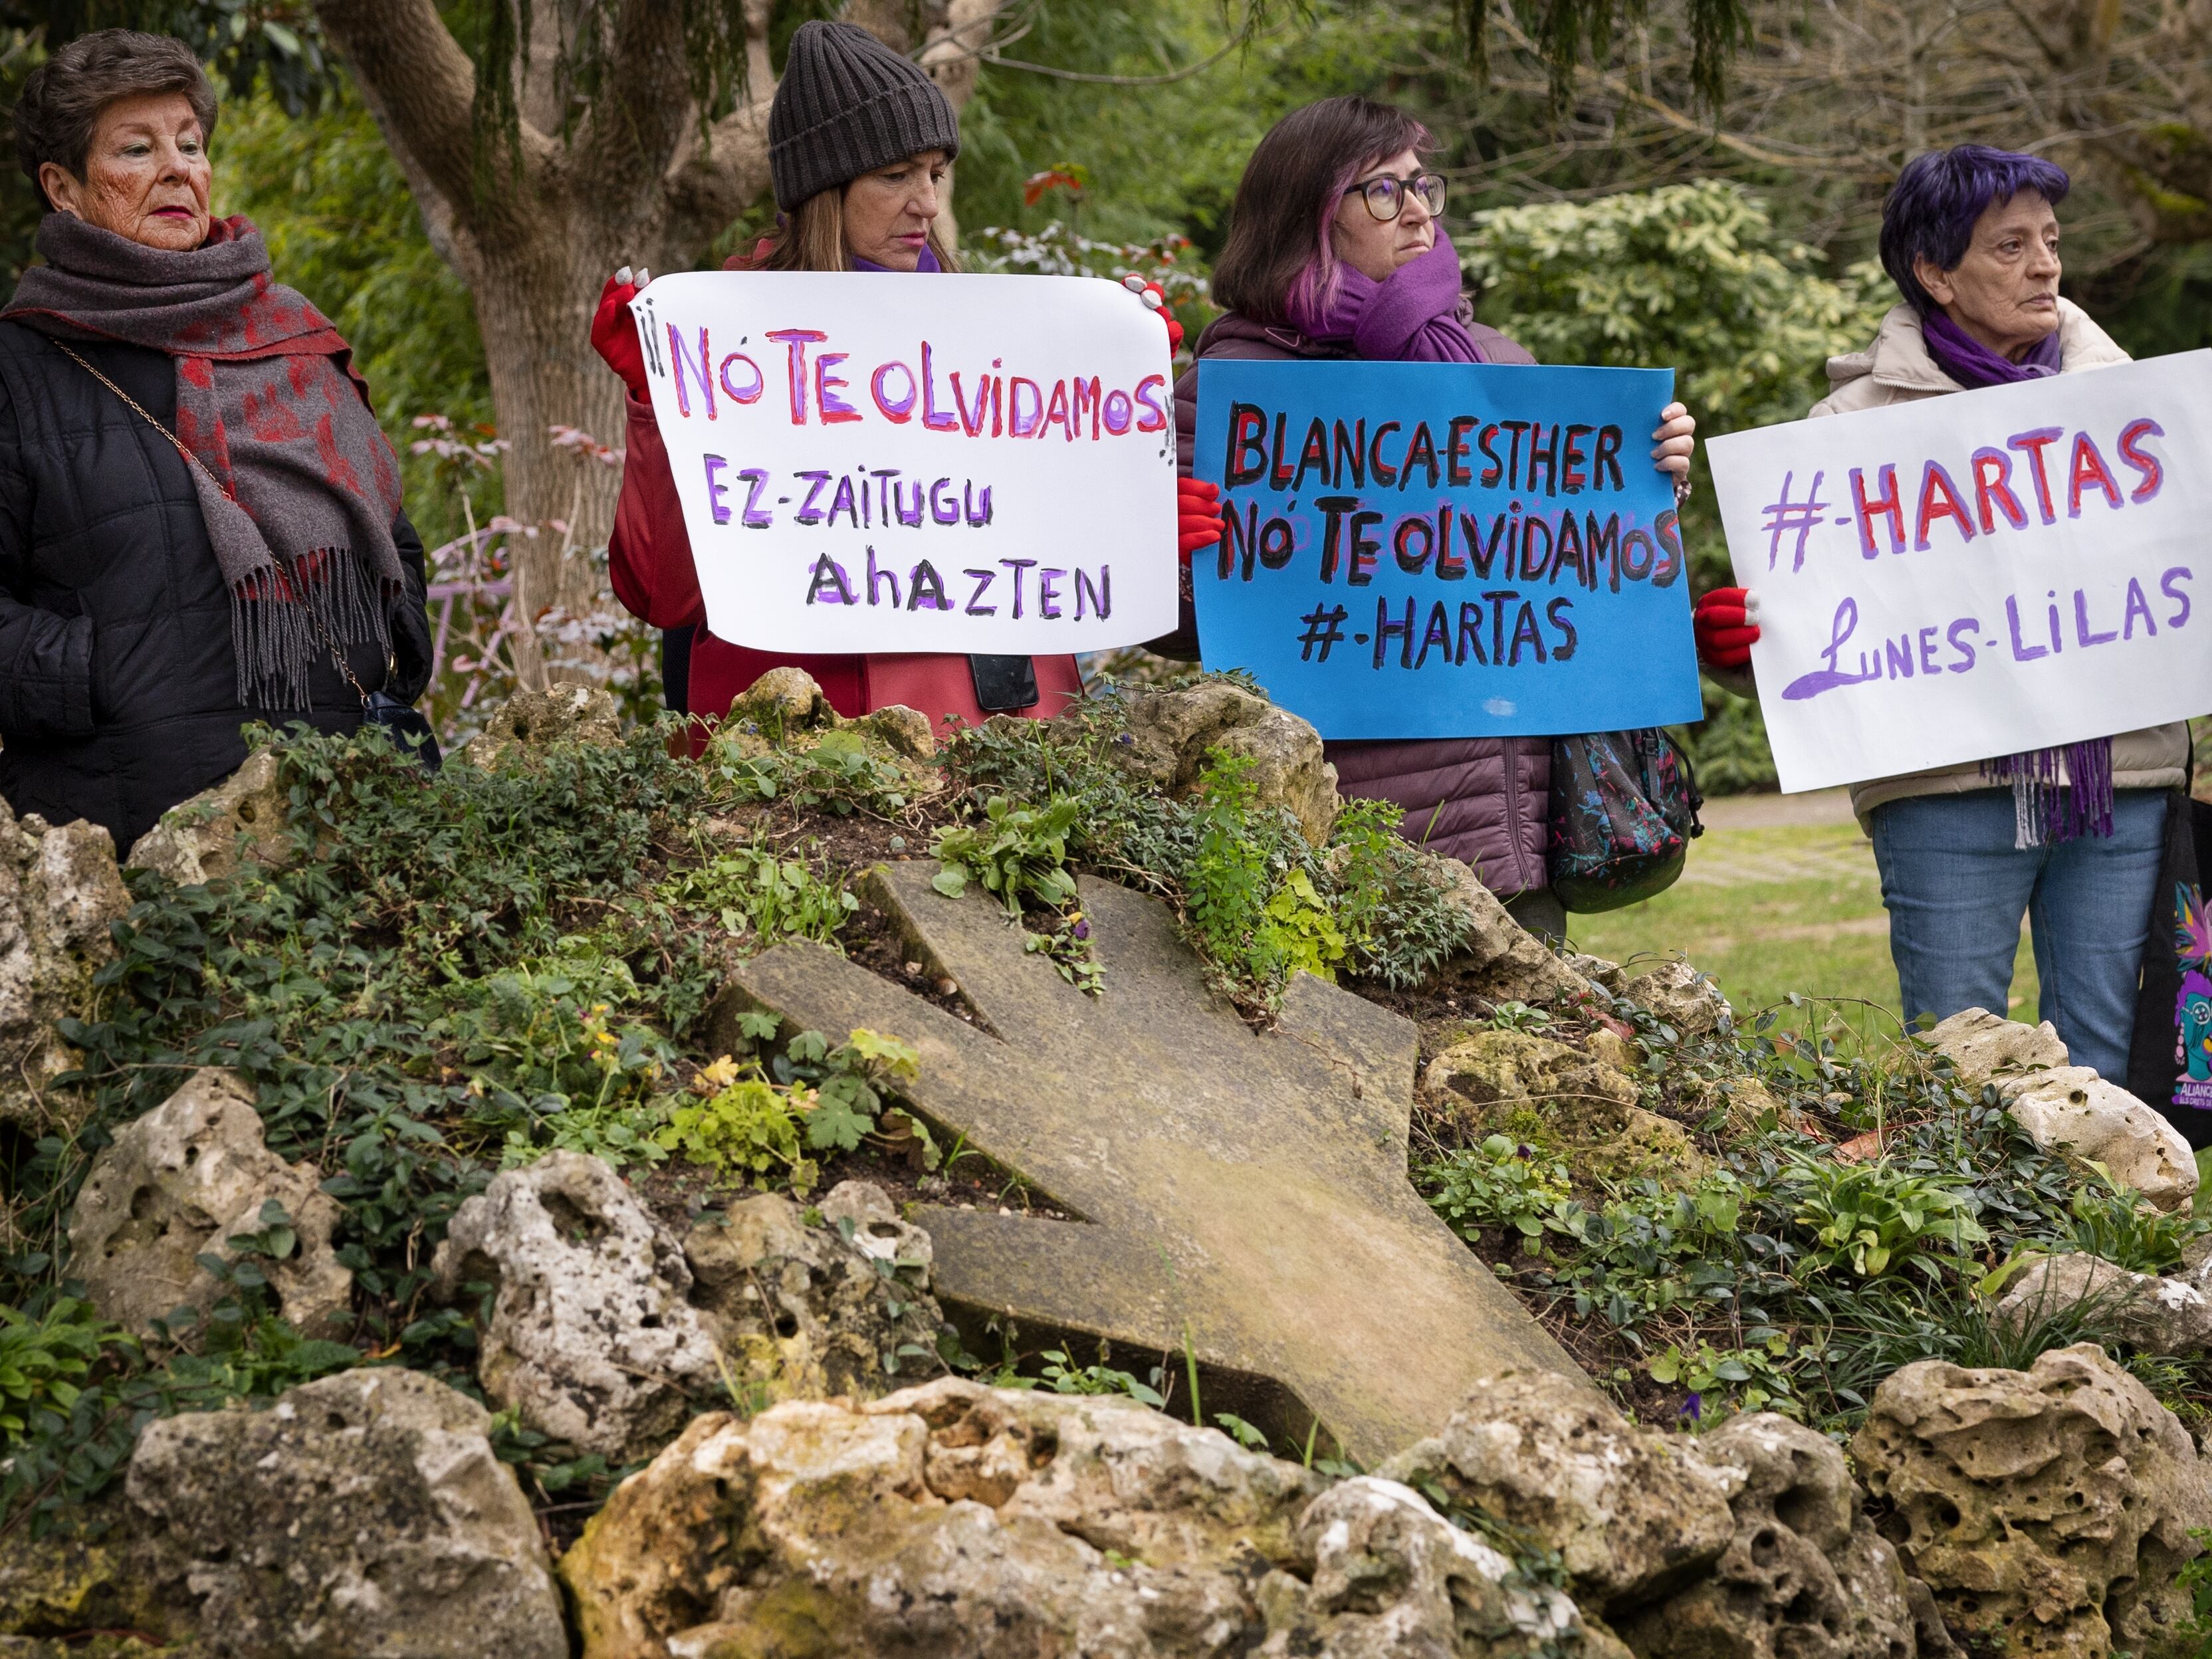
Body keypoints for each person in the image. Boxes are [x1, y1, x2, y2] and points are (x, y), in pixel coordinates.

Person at [1692, 145, 2183, 1078]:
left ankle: (2112, 1230)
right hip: (1945, 794)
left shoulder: (2140, 411)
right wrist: (1742, 643)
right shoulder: (1848, 433)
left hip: (2122, 780)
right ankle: (1983, 1234)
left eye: (2050, 240)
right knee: (1959, 1066)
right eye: (2009, 246)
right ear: (1935, 273)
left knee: (2110, 1057)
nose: (2045, 265)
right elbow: (1818, 626)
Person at [1169, 96, 1697, 938]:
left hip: (1510, 832)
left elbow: (1578, 578)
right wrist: (1175, 554)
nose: (1416, 210)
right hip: (1334, 836)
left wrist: (1645, 482)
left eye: (1421, 186)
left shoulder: (1496, 363)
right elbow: (1187, 631)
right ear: (1309, 216)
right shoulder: (1237, 390)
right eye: (1381, 192)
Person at [590, 20, 1097, 738]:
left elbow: (1048, 538)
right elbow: (663, 592)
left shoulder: (993, 345)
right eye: (895, 175)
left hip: (994, 739)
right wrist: (656, 402)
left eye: (935, 173)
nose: (925, 201)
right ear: (825, 190)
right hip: (797, 771)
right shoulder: (734, 353)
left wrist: (1133, 462)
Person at [0, 29, 433, 857]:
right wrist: (105, 671)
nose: (178, 168)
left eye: (190, 144)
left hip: (351, 827)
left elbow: (390, 532)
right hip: (131, 856)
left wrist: (397, 636)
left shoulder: (293, 339)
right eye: (136, 147)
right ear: (63, 186)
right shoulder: (18, 370)